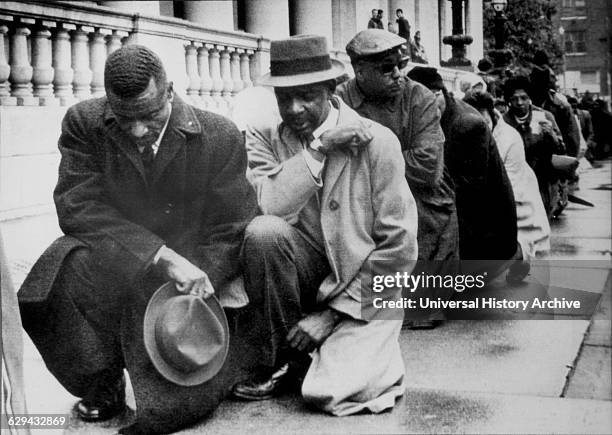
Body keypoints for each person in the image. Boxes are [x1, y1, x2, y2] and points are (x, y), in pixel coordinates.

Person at [17, 45, 258, 434]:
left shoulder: (219, 135)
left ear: (170, 91)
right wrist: (156, 254)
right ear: (109, 103)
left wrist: (196, 282)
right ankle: (102, 381)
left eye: (149, 115)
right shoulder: (84, 122)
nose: (138, 130)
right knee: (60, 270)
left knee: (174, 407)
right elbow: (77, 208)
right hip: (117, 260)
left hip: (186, 276)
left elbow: (231, 227)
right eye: (124, 119)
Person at [232, 34, 418, 416]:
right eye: (284, 98)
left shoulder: (378, 142)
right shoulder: (264, 137)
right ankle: (285, 354)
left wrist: (333, 315)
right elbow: (269, 206)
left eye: (307, 97)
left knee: (328, 394)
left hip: (360, 288)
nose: (294, 109)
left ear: (331, 90)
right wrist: (320, 148)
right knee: (264, 232)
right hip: (297, 279)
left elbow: (399, 246)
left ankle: (337, 346)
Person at [337, 30, 458, 328]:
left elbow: (428, 167)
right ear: (360, 72)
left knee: (425, 217)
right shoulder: (339, 100)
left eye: (399, 65)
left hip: (419, 194)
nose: (397, 75)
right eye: (386, 68)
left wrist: (371, 161)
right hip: (361, 193)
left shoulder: (419, 97)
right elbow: (331, 161)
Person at [407, 66, 518, 278]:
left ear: (442, 92)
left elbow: (469, 190)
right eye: (420, 99)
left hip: (481, 230)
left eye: (433, 96)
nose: (426, 104)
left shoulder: (465, 124)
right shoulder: (434, 116)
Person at [464, 92, 550, 283]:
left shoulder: (509, 138)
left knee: (519, 232)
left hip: (514, 187)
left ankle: (519, 256)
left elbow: (507, 186)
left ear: (492, 115)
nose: (481, 128)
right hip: (486, 186)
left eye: (484, 122)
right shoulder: (467, 130)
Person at [502, 75, 567, 220]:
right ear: (508, 100)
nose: (520, 103)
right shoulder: (503, 122)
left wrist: (551, 134)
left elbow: (561, 149)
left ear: (529, 97)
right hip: (516, 181)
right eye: (514, 99)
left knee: (542, 221)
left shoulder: (545, 116)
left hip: (543, 180)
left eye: (524, 98)